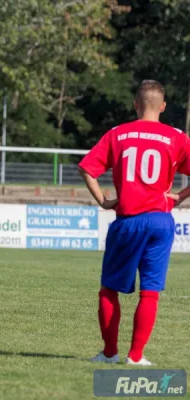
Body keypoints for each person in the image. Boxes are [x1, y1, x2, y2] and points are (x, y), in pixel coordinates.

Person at [79, 80, 190, 366]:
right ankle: (136, 357)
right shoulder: (177, 136)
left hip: (128, 220)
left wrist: (103, 201)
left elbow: (87, 168)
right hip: (160, 220)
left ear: (135, 104)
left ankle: (109, 353)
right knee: (150, 291)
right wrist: (178, 196)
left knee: (109, 290)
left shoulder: (118, 134)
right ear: (163, 106)